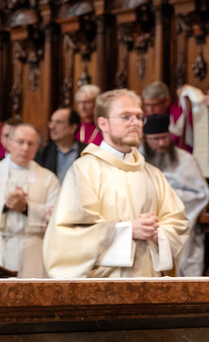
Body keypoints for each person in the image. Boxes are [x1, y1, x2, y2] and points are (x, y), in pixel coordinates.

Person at [43, 89, 189, 278]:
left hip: (150, 283)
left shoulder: (152, 174)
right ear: (103, 123)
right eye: (126, 117)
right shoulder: (85, 170)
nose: (135, 123)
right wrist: (128, 231)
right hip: (103, 286)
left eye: (139, 117)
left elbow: (177, 223)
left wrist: (157, 233)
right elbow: (69, 235)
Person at [0, 124, 60, 277]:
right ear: (9, 144)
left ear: (37, 147)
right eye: (20, 142)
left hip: (33, 250)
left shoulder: (48, 178)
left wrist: (27, 208)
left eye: (31, 143)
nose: (25, 148)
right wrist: (4, 206)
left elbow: (58, 217)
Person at [141, 113, 209, 277]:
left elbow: (201, 194)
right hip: (145, 222)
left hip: (179, 221)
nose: (161, 143)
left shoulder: (186, 160)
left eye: (164, 137)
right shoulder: (136, 160)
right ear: (145, 139)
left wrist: (166, 197)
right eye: (156, 139)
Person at [35, 108, 86, 182]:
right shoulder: (43, 153)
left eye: (58, 122)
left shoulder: (87, 152)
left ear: (73, 128)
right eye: (51, 122)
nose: (52, 126)